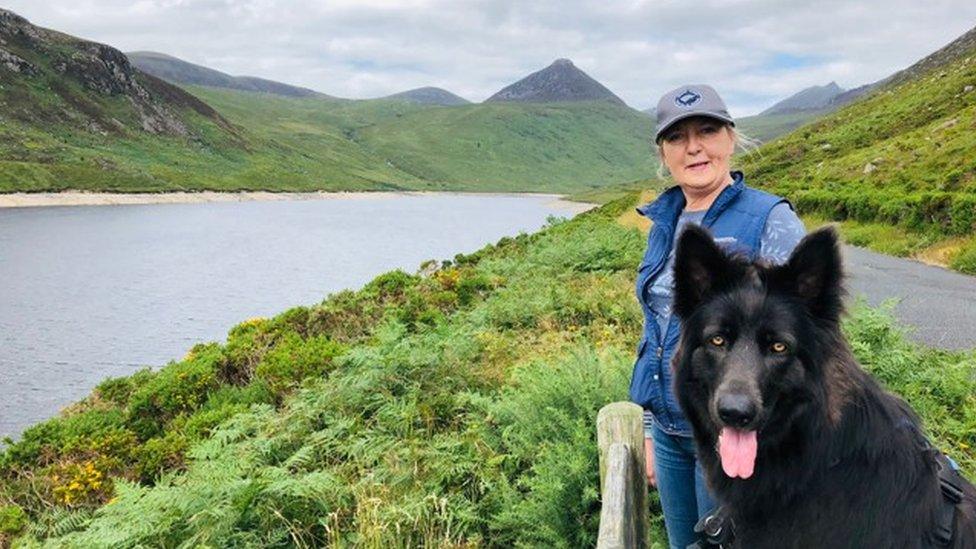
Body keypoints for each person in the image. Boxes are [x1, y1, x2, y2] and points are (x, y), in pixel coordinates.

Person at [631, 84, 806, 549]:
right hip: (671, 432)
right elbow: (658, 330)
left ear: (730, 138)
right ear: (663, 153)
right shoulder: (666, 221)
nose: (693, 147)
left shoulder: (769, 218)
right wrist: (649, 425)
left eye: (707, 130)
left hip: (738, 432)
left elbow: (801, 338)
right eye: (677, 137)